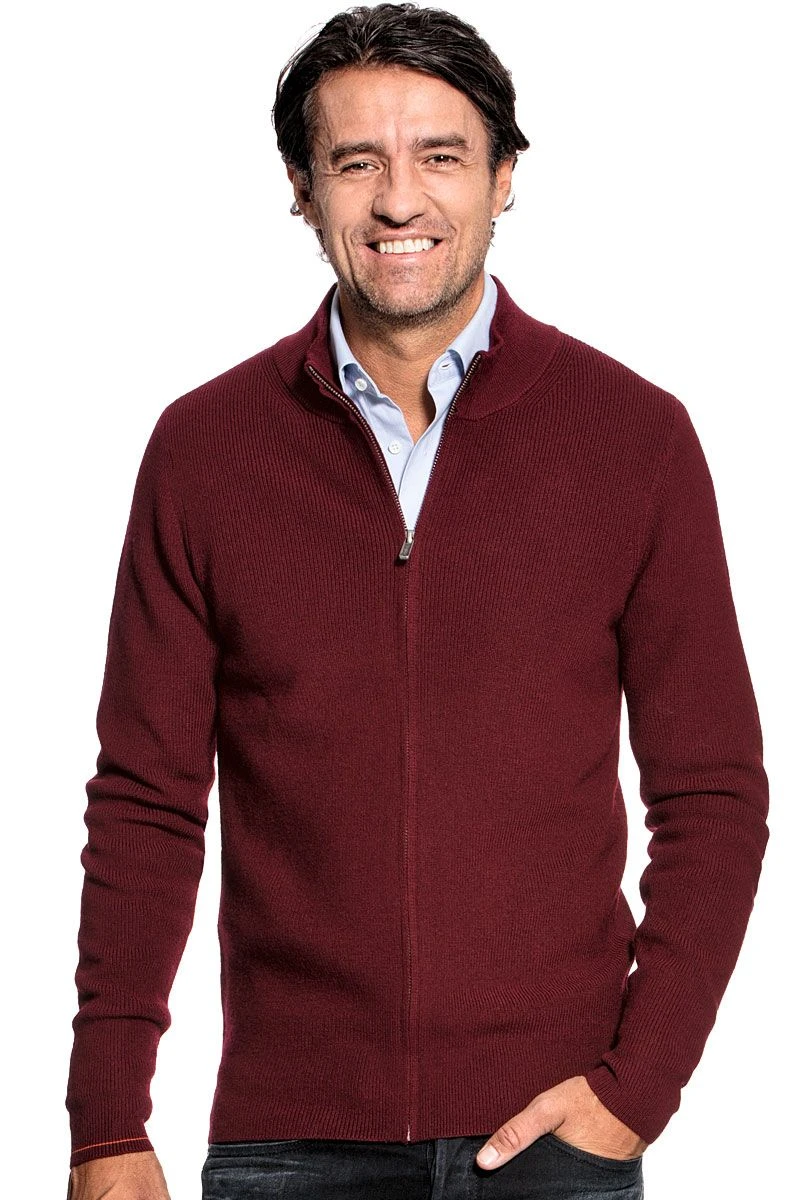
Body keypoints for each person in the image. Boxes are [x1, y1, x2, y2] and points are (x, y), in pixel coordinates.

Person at [64, 4, 770, 1198]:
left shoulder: (633, 438)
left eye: (440, 156)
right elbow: (146, 801)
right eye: (356, 163)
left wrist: (635, 1088)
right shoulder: (203, 451)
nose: (400, 201)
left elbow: (710, 793)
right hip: (287, 1143)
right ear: (301, 190)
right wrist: (105, 1122)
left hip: (550, 1140)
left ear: (504, 178)